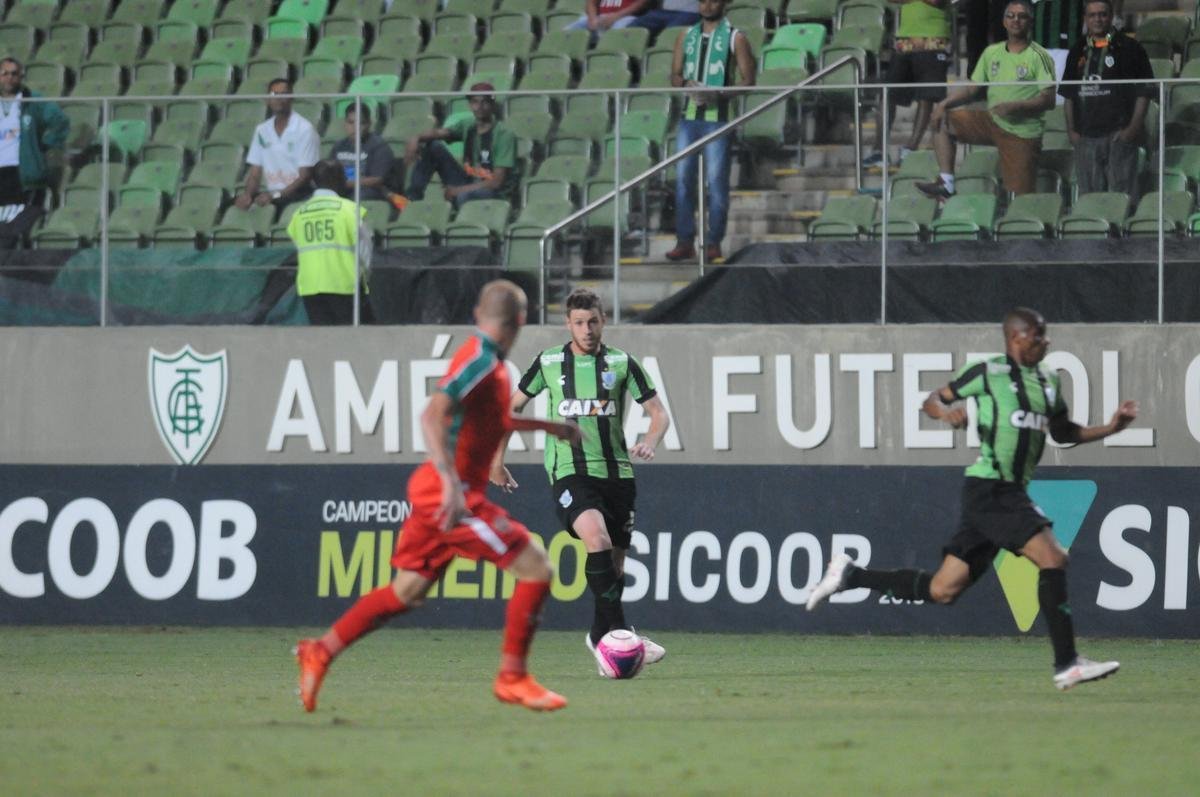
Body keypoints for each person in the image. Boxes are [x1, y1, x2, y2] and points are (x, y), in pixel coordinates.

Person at [807, 307, 1138, 691]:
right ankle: (1067, 663)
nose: (1046, 342)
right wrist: (946, 414)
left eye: (1046, 336)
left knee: (942, 590)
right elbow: (932, 398)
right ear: (1016, 338)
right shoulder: (989, 372)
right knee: (1054, 557)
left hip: (1001, 494)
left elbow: (1063, 433)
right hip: (993, 489)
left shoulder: (1048, 381)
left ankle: (851, 575)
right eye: (1038, 335)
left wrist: (1111, 427)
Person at [296, 280, 583, 713]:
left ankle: (321, 650)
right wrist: (451, 483)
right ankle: (512, 677)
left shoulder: (490, 364)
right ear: (522, 320)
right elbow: (433, 413)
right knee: (537, 568)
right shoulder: (482, 362)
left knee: (406, 591)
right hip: (452, 497)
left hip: (437, 494)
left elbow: (492, 421)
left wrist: (550, 428)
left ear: (476, 314)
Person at [491, 287, 671, 674]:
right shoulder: (550, 362)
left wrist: (651, 440)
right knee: (598, 539)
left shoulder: (622, 363)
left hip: (618, 473)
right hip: (570, 471)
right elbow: (511, 409)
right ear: (568, 324)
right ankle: (621, 633)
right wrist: (497, 460)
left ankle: (599, 633)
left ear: (603, 320)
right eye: (579, 323)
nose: (587, 329)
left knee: (615, 565)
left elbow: (658, 413)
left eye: (593, 321)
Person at [916, 0, 1055, 199]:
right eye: (1011, 16)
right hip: (992, 121)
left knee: (1022, 199)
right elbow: (972, 88)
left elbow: (1048, 100)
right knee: (942, 119)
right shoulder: (992, 52)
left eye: (1022, 16)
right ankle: (946, 183)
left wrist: (1016, 106)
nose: (1016, 20)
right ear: (1004, 22)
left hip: (1022, 133)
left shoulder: (1039, 55)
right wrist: (943, 103)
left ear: (1030, 22)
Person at [665, 0, 755, 263]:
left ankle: (713, 241)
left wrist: (719, 94)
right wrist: (685, 84)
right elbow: (674, 75)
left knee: (716, 183)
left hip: (719, 119)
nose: (707, 5)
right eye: (703, 1)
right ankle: (685, 241)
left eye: (713, 0)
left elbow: (749, 81)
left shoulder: (736, 38)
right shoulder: (686, 35)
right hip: (689, 117)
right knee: (682, 181)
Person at [1058, 0, 1153, 198]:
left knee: (1122, 197)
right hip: (1086, 136)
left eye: (1102, 14)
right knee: (1089, 197)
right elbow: (1068, 95)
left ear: (1111, 17)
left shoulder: (1130, 47)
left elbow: (1144, 92)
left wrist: (1132, 130)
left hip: (1119, 135)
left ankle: (1120, 230)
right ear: (1085, 19)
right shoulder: (1077, 50)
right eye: (1092, 15)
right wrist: (1072, 132)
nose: (1097, 19)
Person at [862, 0, 953, 168]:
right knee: (887, 95)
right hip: (905, 40)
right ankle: (878, 151)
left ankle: (911, 149)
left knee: (926, 97)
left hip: (934, 40)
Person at [400, 82, 517, 210]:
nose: (479, 107)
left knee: (464, 197)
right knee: (433, 146)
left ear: (492, 104)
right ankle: (412, 201)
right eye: (475, 102)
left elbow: (496, 182)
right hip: (469, 181)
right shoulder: (468, 125)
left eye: (485, 102)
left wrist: (459, 190)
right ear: (470, 104)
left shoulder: (504, 135)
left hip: (493, 192)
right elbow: (439, 133)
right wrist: (416, 138)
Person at [285, 160, 374, 325]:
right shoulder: (350, 210)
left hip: (310, 286)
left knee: (325, 341)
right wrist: (366, 279)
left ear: (314, 181)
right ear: (340, 180)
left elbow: (299, 247)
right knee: (357, 340)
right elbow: (365, 252)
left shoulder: (299, 213)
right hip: (344, 285)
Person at [0, 56, 67, 247]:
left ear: (21, 76)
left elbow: (60, 122)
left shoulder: (32, 100)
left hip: (21, 172)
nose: (9, 78)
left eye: (14, 74)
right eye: (5, 73)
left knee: (18, 225)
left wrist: (45, 143)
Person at [234, 78, 320, 210]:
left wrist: (275, 195)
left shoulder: (305, 129)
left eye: (284, 94)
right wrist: (248, 195)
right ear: (267, 99)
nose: (279, 98)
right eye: (274, 94)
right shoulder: (262, 130)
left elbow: (305, 176)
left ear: (292, 98)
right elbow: (255, 173)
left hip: (299, 193)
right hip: (272, 193)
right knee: (232, 205)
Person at [328, 104, 395, 202]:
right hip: (343, 189)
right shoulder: (339, 146)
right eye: (351, 122)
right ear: (345, 124)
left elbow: (377, 180)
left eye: (361, 123)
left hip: (370, 192)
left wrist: (344, 184)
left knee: (357, 196)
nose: (355, 127)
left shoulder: (379, 146)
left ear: (369, 124)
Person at [564, 0, 652, 42]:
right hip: (600, 17)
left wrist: (616, 16)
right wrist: (592, 18)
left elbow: (642, 3)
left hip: (626, 17)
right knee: (567, 33)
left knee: (616, 31)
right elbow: (591, 2)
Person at [628, 0, 700, 39]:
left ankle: (661, 62)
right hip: (663, 12)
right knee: (632, 29)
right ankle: (626, 62)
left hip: (689, 12)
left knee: (668, 34)